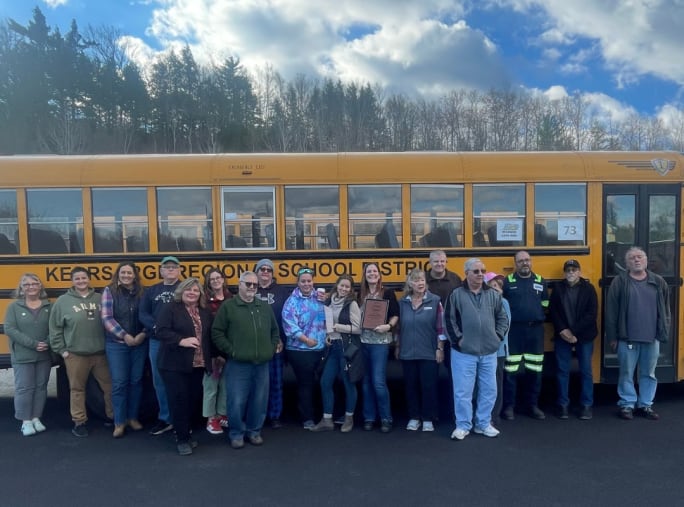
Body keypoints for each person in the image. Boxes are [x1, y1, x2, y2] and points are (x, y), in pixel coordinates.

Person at [212, 271, 281, 449]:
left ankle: (254, 431)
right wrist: (231, 351)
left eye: (254, 285)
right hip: (238, 364)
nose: (251, 287)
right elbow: (217, 332)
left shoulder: (264, 307)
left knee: (259, 400)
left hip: (262, 364)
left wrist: (271, 348)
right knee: (236, 400)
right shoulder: (229, 306)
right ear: (239, 284)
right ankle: (236, 433)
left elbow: (275, 330)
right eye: (248, 284)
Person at [446, 259, 509, 441]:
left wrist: (496, 337)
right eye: (476, 271)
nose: (480, 274)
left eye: (483, 271)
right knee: (463, 391)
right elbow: (449, 320)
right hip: (464, 353)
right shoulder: (456, 294)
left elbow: (503, 318)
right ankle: (463, 425)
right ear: (466, 273)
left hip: (489, 352)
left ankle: (483, 423)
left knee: (490, 389)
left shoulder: (493, 295)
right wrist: (459, 341)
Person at [606, 247, 670, 421]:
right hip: (627, 338)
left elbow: (665, 310)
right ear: (626, 263)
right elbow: (611, 312)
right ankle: (627, 404)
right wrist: (612, 337)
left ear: (646, 260)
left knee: (649, 374)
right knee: (626, 373)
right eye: (632, 258)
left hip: (652, 338)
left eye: (640, 257)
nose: (636, 260)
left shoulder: (658, 282)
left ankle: (646, 405)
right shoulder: (619, 282)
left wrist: (663, 331)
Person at [49, 266, 114, 437]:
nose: (81, 281)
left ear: (88, 279)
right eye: (77, 278)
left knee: (110, 387)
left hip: (101, 353)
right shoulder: (63, 301)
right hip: (76, 354)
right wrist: (61, 350)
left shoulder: (101, 298)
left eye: (83, 278)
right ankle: (79, 422)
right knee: (77, 389)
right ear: (72, 281)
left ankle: (112, 417)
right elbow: (55, 328)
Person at [156, 278, 213, 456]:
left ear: (200, 294)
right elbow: (161, 330)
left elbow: (208, 336)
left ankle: (185, 433)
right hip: (174, 364)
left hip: (197, 364)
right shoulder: (171, 308)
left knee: (191, 400)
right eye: (189, 290)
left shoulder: (203, 311)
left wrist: (216, 357)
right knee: (178, 401)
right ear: (181, 291)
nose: (192, 293)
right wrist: (181, 340)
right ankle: (181, 439)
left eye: (196, 290)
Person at [101, 262, 147, 438]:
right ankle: (119, 422)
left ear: (135, 275)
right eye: (123, 272)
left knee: (136, 381)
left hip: (139, 343)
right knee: (120, 383)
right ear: (118, 274)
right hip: (117, 344)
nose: (126, 275)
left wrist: (142, 334)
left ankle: (132, 418)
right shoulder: (110, 291)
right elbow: (106, 317)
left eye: (130, 273)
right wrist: (124, 335)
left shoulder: (142, 292)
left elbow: (147, 314)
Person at [311, 275, 362, 433]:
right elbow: (327, 323)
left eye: (347, 287)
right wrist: (328, 334)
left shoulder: (352, 304)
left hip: (346, 347)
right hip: (332, 347)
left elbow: (358, 328)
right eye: (342, 286)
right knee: (325, 382)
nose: (344, 289)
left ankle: (349, 418)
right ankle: (327, 420)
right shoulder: (329, 301)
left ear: (351, 289)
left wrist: (338, 326)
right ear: (337, 285)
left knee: (348, 383)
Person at [395, 268, 444, 432]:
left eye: (422, 280)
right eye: (416, 280)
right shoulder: (403, 302)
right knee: (411, 386)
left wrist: (439, 348)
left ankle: (428, 418)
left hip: (429, 351)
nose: (420, 283)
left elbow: (440, 328)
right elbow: (399, 328)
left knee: (428, 386)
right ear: (410, 283)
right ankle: (414, 417)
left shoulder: (435, 301)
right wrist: (397, 346)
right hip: (408, 351)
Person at [502, 250, 549, 420]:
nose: (525, 263)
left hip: (535, 331)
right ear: (515, 263)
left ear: (531, 262)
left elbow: (545, 304)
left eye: (527, 260)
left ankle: (532, 405)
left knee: (534, 371)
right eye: (521, 261)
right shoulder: (508, 282)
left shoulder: (540, 281)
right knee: (510, 371)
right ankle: (509, 407)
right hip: (514, 331)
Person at [549, 259, 598, 420]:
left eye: (574, 270)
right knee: (562, 371)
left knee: (586, 371)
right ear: (564, 272)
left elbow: (591, 314)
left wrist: (574, 331)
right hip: (562, 335)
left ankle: (586, 405)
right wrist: (563, 330)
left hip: (583, 335)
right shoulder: (558, 288)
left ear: (579, 272)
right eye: (568, 270)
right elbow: (553, 311)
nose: (571, 273)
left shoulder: (589, 289)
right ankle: (563, 405)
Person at [4, 273, 52, 436]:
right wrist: (33, 344)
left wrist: (47, 342)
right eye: (27, 284)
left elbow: (56, 327)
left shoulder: (48, 306)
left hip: (44, 354)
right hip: (23, 355)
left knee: (40, 387)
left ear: (40, 287)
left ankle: (36, 417)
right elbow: (9, 329)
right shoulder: (14, 307)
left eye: (34, 283)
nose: (31, 286)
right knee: (24, 388)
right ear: (21, 288)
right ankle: (25, 421)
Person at [139, 255, 181, 436]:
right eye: (167, 267)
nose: (170, 269)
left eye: (174, 267)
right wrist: (156, 327)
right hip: (157, 341)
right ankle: (165, 417)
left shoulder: (186, 288)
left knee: (181, 380)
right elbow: (143, 313)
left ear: (179, 270)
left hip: (180, 340)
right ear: (161, 270)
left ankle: (181, 417)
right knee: (160, 381)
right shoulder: (152, 290)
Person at [282, 266, 327, 430]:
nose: (307, 284)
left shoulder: (319, 297)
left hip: (321, 348)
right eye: (303, 281)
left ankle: (325, 415)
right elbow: (290, 326)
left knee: (323, 382)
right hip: (300, 350)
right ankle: (307, 418)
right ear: (298, 283)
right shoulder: (291, 301)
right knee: (306, 384)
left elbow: (327, 317)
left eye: (309, 281)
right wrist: (306, 340)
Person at [358, 262, 399, 433]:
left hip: (380, 343)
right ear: (365, 275)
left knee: (378, 382)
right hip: (363, 341)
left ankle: (386, 418)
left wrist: (388, 327)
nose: (372, 274)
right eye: (369, 271)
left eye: (375, 271)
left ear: (379, 274)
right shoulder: (360, 294)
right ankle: (369, 417)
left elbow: (396, 314)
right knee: (366, 382)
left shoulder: (387, 292)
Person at [254, 258, 289, 429]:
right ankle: (258, 414)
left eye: (268, 270)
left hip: (276, 342)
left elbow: (286, 317)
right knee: (258, 382)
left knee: (276, 381)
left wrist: (281, 339)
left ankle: (275, 415)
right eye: (262, 269)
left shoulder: (281, 292)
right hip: (255, 344)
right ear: (257, 272)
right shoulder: (250, 289)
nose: (265, 272)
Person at [202, 268, 232, 434]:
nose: (215, 281)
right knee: (211, 385)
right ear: (208, 282)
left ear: (223, 279)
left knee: (225, 385)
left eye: (218, 277)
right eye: (211, 279)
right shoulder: (205, 302)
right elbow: (206, 329)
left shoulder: (231, 298)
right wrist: (214, 353)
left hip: (227, 348)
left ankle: (221, 414)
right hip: (212, 349)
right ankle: (210, 418)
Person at [483, 272, 510, 425]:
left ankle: (494, 415)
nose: (494, 288)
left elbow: (505, 326)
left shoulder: (503, 302)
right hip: (484, 349)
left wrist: (491, 342)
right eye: (490, 286)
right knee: (484, 384)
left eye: (497, 286)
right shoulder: (482, 302)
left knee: (495, 384)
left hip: (498, 350)